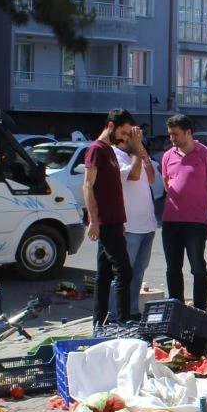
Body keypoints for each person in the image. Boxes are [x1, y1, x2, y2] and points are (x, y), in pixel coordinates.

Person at [160, 114, 207, 309]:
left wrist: (203, 207)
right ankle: (176, 308)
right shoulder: (168, 155)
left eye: (175, 134)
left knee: (197, 268)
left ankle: (200, 310)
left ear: (188, 132)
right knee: (172, 269)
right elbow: (167, 185)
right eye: (170, 134)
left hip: (196, 223)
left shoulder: (206, 155)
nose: (172, 139)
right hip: (171, 222)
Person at [85, 109, 136, 325]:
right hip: (105, 222)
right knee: (124, 272)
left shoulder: (110, 151)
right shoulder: (96, 149)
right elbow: (88, 185)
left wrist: (121, 220)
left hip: (115, 221)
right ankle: (123, 322)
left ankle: (100, 321)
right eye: (123, 132)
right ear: (111, 126)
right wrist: (93, 220)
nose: (125, 138)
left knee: (104, 274)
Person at [108, 125, 157, 319]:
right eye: (131, 136)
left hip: (147, 225)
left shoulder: (137, 155)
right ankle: (114, 314)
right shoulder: (115, 155)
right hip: (129, 227)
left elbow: (152, 178)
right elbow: (134, 175)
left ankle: (132, 310)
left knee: (138, 272)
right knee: (122, 275)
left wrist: (144, 155)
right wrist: (137, 150)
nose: (135, 139)